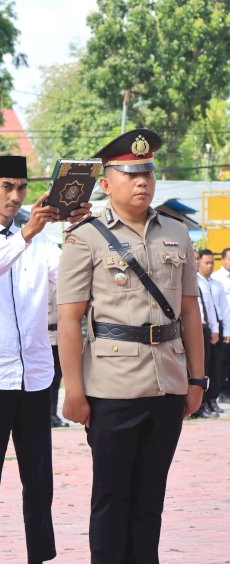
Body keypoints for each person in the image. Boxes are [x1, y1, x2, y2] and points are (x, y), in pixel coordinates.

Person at [57, 129, 204, 563]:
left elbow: (190, 313)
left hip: (168, 382)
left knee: (149, 500)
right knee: (111, 497)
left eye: (148, 172)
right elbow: (69, 320)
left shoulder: (176, 232)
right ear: (106, 183)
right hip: (111, 387)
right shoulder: (85, 236)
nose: (142, 181)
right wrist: (74, 391)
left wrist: (197, 379)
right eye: (130, 173)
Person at [0, 155, 86, 564]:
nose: (15, 195)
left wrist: (76, 231)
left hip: (36, 371)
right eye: (6, 186)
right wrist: (26, 234)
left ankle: (40, 556)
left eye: (21, 188)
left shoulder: (42, 241)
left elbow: (68, 278)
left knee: (39, 478)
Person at [196, 248, 229, 417]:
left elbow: (223, 309)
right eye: (206, 263)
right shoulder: (196, 282)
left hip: (215, 328)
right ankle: (202, 403)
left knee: (216, 367)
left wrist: (219, 331)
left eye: (211, 263)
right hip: (201, 329)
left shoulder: (216, 284)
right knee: (203, 368)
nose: (209, 266)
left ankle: (212, 400)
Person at [48, 280, 69, 428]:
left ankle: (52, 414)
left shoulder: (61, 284)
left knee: (56, 379)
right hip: (45, 338)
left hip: (59, 338)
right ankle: (45, 415)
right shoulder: (39, 284)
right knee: (46, 380)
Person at [210, 247, 230, 403]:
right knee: (222, 360)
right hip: (220, 324)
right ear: (222, 260)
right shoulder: (216, 279)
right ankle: (221, 391)